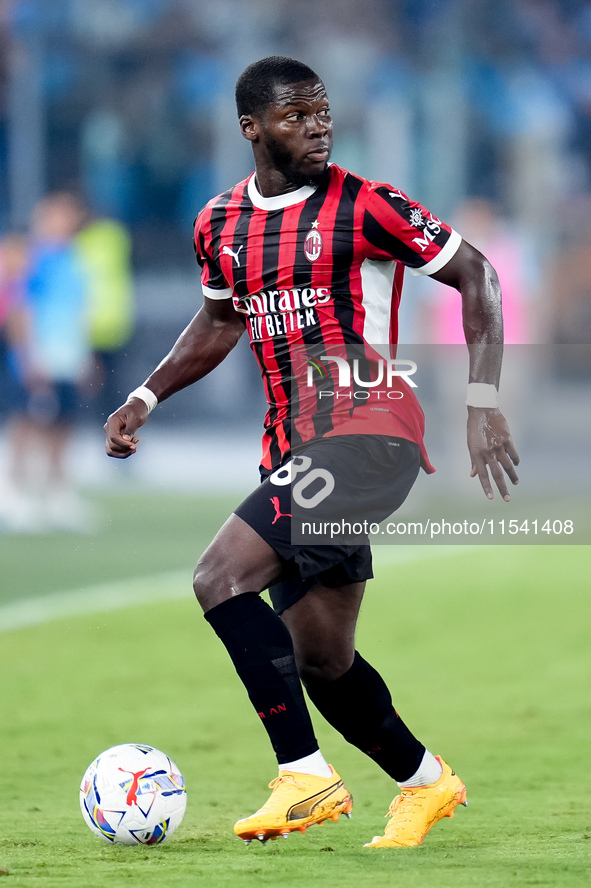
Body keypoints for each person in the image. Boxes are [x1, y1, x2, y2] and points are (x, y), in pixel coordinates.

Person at [104, 57, 520, 849]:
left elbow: (477, 275)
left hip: (369, 431)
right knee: (321, 660)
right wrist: (145, 396)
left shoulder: (369, 205)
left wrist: (482, 401)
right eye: (297, 116)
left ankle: (304, 776)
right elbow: (220, 321)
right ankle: (426, 783)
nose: (318, 126)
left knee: (217, 577)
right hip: (292, 452)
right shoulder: (218, 223)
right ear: (251, 129)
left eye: (323, 112)